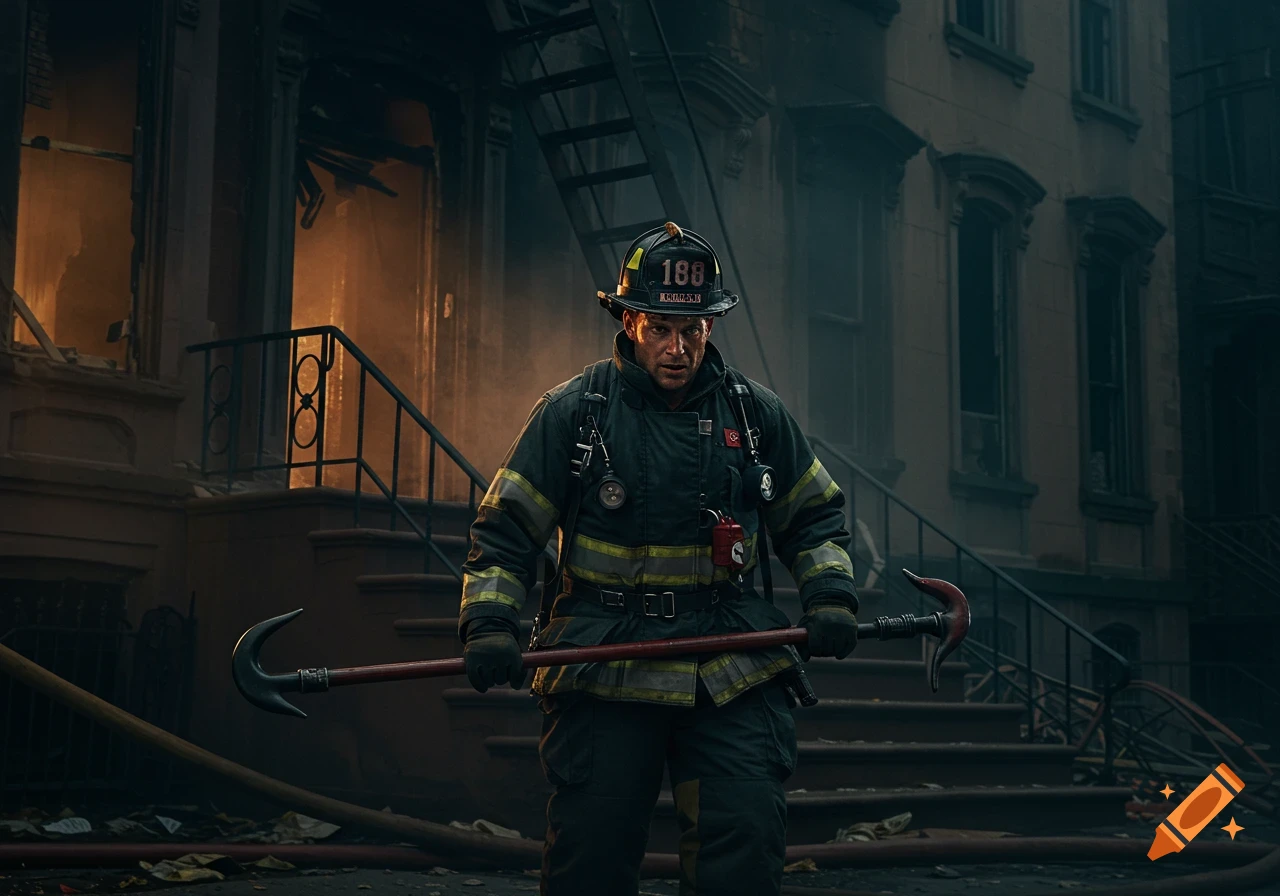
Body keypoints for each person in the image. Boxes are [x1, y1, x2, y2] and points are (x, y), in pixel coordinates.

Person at [459, 222, 860, 895]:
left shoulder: (755, 416)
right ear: (629, 321)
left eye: (694, 331)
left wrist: (831, 597)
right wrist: (490, 623)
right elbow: (505, 532)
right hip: (604, 662)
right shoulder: (573, 415)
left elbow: (814, 517)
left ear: (711, 328)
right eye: (660, 330)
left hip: (729, 662)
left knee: (744, 842)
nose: (678, 349)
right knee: (592, 856)